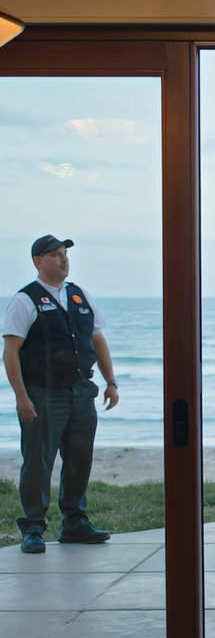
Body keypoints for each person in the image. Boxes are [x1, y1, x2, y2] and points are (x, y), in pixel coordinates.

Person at [2, 235, 120, 554]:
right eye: (55, 255)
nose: (63, 259)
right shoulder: (25, 300)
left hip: (81, 392)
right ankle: (33, 529)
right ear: (38, 262)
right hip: (42, 394)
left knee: (80, 458)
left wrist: (111, 382)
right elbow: (10, 351)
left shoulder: (80, 296)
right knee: (39, 460)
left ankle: (75, 523)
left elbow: (97, 340)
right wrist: (21, 396)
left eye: (65, 254)